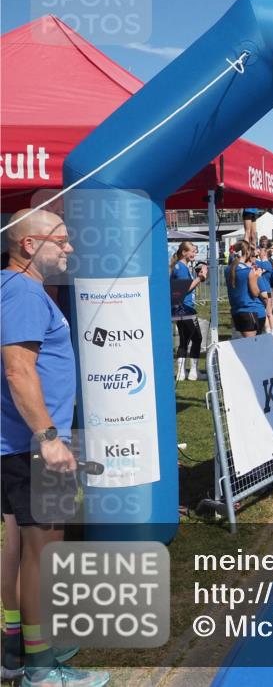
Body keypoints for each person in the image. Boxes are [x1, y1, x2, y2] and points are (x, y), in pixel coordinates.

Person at [2, 209, 109, 687]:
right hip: (35, 444)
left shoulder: (14, 287)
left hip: (19, 444)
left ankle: (17, 654)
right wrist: (48, 438)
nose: (69, 248)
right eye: (60, 240)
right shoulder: (22, 290)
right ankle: (41, 670)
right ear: (29, 245)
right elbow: (18, 370)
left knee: (22, 551)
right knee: (43, 555)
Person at [169, 241, 207, 380]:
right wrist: (200, 278)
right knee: (197, 338)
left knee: (184, 339)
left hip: (180, 308)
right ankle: (193, 372)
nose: (194, 253)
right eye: (192, 251)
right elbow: (186, 288)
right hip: (184, 308)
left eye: (195, 251)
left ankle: (181, 372)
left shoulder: (180, 266)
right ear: (184, 252)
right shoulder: (181, 268)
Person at [226, 240, 266, 337]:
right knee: (251, 346)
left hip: (235, 311)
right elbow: (255, 293)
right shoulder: (249, 271)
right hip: (248, 310)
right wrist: (256, 277)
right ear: (247, 252)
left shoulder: (228, 269)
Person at [254, 246, 273, 333]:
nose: (259, 252)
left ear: (265, 253)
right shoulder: (261, 262)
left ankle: (272, 331)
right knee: (265, 313)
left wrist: (255, 256)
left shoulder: (267, 264)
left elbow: (258, 268)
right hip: (262, 290)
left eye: (261, 251)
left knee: (268, 313)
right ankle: (268, 331)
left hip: (267, 290)